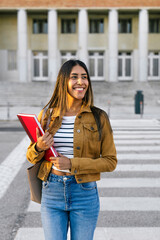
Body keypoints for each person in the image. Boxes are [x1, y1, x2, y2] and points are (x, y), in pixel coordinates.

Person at [26, 59, 117, 240]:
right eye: (74, 77)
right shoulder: (47, 115)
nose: (80, 82)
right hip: (52, 191)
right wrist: (40, 147)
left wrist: (72, 164)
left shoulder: (99, 117)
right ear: (63, 81)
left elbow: (110, 161)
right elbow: (31, 156)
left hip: (84, 192)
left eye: (84, 77)